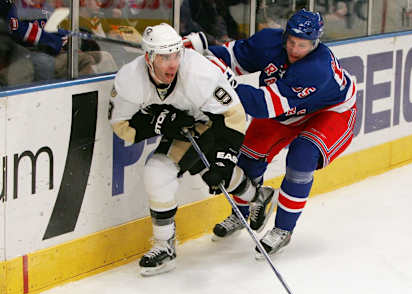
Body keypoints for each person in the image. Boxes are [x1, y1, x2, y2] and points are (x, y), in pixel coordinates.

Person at [193, 9, 357, 258]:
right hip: (287, 109)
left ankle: (283, 230)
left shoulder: (317, 68)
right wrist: (195, 59)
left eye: (302, 45)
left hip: (330, 111)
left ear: (315, 43)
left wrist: (225, 85)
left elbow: (264, 105)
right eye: (291, 41)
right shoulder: (269, 41)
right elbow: (229, 56)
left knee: (301, 157)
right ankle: (241, 214)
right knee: (247, 157)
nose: (293, 49)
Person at [109, 23, 257, 275]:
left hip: (218, 118)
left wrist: (225, 159)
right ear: (149, 58)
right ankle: (165, 245)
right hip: (189, 126)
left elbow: (234, 116)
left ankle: (256, 196)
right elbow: (122, 125)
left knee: (216, 169)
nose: (173, 63)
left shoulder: (199, 73)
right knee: (157, 172)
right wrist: (159, 123)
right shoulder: (130, 79)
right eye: (165, 57)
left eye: (177, 55)